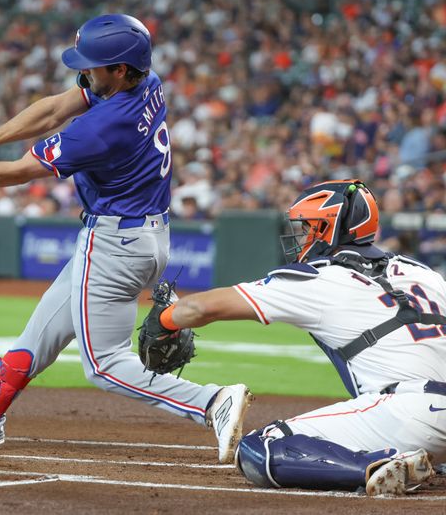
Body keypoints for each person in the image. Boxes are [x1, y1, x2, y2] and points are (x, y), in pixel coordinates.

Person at [0, 13, 252, 463]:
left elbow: (20, 172)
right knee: (42, 332)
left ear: (118, 69)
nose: (84, 72)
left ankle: (211, 402)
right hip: (142, 235)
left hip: (115, 242)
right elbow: (56, 106)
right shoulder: (145, 81)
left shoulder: (103, 126)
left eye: (93, 65)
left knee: (103, 364)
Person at [149, 179, 446, 495]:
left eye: (307, 227)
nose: (300, 236)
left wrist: (166, 320)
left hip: (411, 413)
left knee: (258, 448)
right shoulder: (423, 273)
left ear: (327, 229)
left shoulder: (318, 277)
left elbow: (200, 308)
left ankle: (375, 466)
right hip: (424, 415)